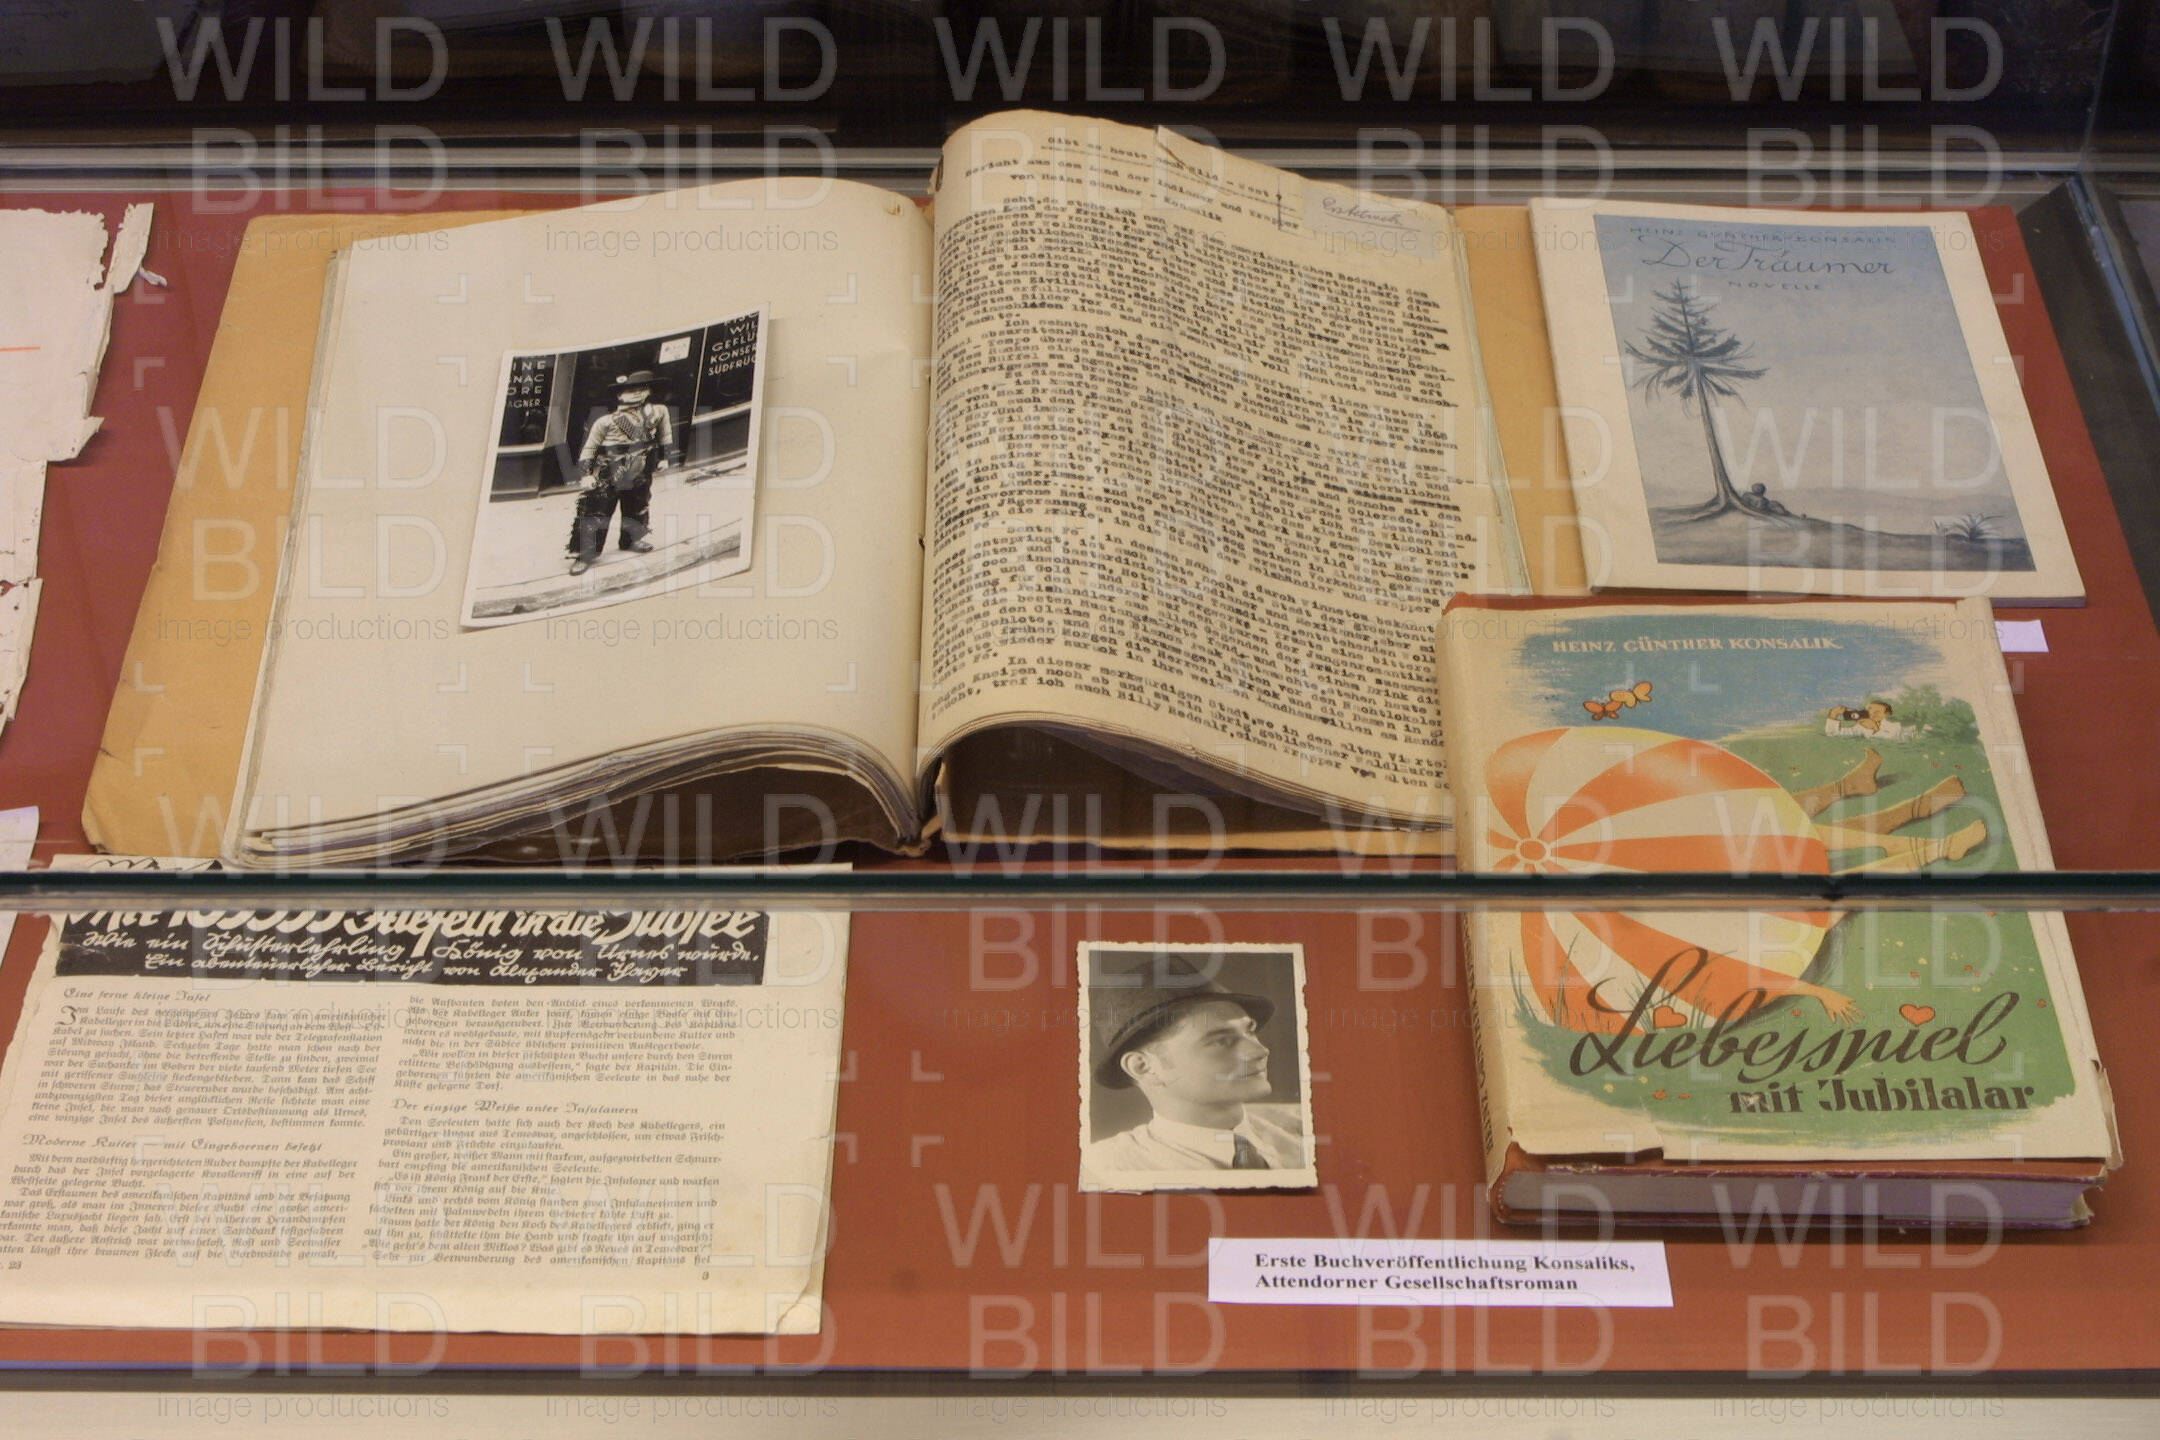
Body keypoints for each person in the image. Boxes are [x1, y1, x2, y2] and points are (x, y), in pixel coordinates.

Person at [1081, 953, 1306, 1179]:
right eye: (1222, 1041)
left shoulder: (1303, 1128)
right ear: (1144, 1067)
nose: (1260, 1051)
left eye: (1250, 1031)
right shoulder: (1105, 1169)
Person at [567, 370, 678, 575]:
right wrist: (586, 474)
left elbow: (665, 435)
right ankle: (584, 554)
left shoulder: (659, 412)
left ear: (650, 391)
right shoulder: (605, 421)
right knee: (596, 511)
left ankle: (631, 540)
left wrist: (664, 457)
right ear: (619, 395)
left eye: (642, 389)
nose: (637, 393)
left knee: (638, 505)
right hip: (608, 470)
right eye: (630, 390)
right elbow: (590, 448)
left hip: (641, 466)